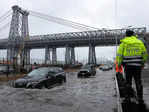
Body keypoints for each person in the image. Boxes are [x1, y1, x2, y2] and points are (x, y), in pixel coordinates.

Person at [116, 29, 148, 103]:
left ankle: (127, 99)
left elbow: (120, 56)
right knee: (138, 81)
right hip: (137, 66)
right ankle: (140, 98)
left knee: (128, 82)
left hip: (128, 66)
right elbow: (144, 54)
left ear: (126, 35)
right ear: (133, 35)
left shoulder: (123, 43)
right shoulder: (139, 42)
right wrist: (142, 63)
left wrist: (119, 65)